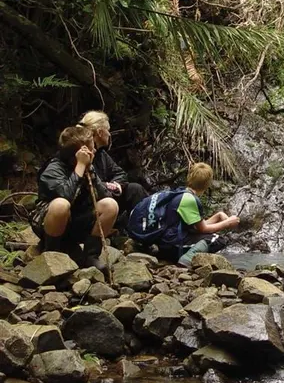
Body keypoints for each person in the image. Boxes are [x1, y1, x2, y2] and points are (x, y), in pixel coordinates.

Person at [30, 126, 119, 271]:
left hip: (78, 221)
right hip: (50, 223)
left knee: (110, 205)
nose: (95, 150)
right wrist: (80, 168)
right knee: (61, 204)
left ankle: (91, 256)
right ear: (79, 153)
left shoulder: (89, 167)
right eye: (92, 148)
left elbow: (105, 195)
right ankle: (52, 254)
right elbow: (66, 197)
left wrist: (90, 171)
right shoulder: (53, 169)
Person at [128, 162, 239, 266]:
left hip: (163, 241)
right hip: (171, 245)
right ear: (207, 184)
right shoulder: (190, 200)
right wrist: (228, 223)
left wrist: (218, 216)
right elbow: (203, 229)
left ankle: (164, 253)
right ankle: (187, 259)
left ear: (189, 177)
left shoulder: (179, 193)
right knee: (216, 239)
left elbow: (196, 225)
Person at [77, 111, 148, 220]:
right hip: (86, 205)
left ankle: (140, 228)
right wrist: (107, 186)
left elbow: (120, 173)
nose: (109, 134)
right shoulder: (79, 153)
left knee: (135, 189)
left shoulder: (101, 154)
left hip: (105, 196)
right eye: (108, 130)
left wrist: (117, 185)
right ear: (100, 132)